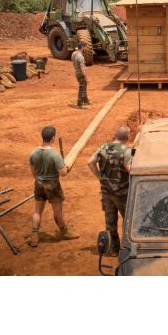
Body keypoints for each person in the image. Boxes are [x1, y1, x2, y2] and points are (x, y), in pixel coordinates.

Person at [27, 126, 77, 247]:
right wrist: (66, 168)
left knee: (37, 211)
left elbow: (33, 172)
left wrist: (40, 180)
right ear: (53, 138)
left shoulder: (33, 153)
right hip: (53, 186)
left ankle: (34, 235)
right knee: (57, 212)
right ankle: (64, 232)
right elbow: (63, 173)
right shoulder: (55, 155)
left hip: (39, 184)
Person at [87, 126, 132, 255]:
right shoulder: (126, 151)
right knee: (128, 220)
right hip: (122, 194)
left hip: (106, 192)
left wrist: (100, 177)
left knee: (110, 221)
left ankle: (113, 249)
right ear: (127, 137)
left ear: (115, 135)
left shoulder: (103, 147)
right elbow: (130, 170)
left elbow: (90, 162)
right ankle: (128, 248)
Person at [72, 41, 90, 108]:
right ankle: (80, 103)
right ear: (82, 47)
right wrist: (87, 78)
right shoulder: (81, 57)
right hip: (81, 74)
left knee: (83, 87)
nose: (86, 48)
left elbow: (74, 54)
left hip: (77, 72)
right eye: (85, 47)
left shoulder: (74, 54)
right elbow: (83, 69)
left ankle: (85, 101)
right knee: (82, 88)